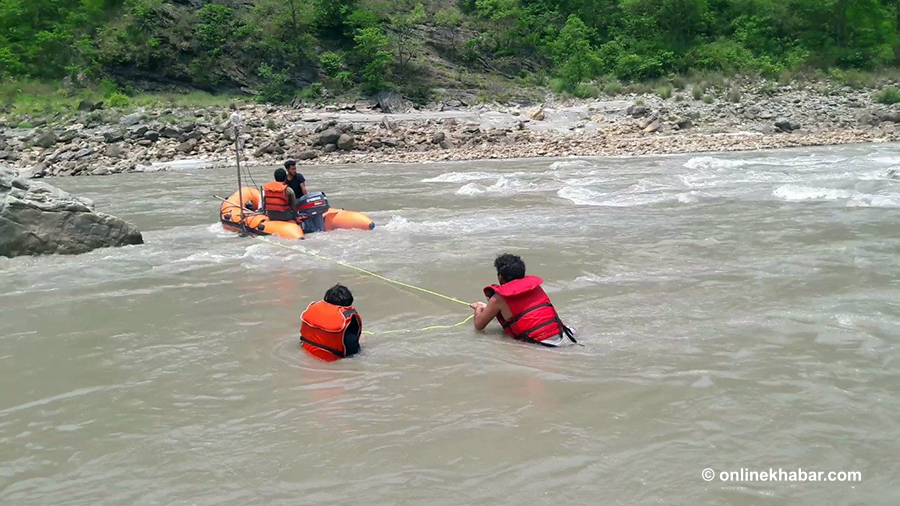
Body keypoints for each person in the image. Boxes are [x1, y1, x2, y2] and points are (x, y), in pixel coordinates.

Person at [470, 253, 576, 347]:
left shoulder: (498, 299)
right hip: (566, 335)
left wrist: (478, 308)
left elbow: (479, 326)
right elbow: (526, 314)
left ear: (501, 277)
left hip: (542, 344)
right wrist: (488, 308)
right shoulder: (535, 287)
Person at [300, 284, 362, 361]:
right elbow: (352, 351)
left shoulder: (313, 309)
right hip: (333, 361)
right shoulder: (347, 317)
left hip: (306, 352)